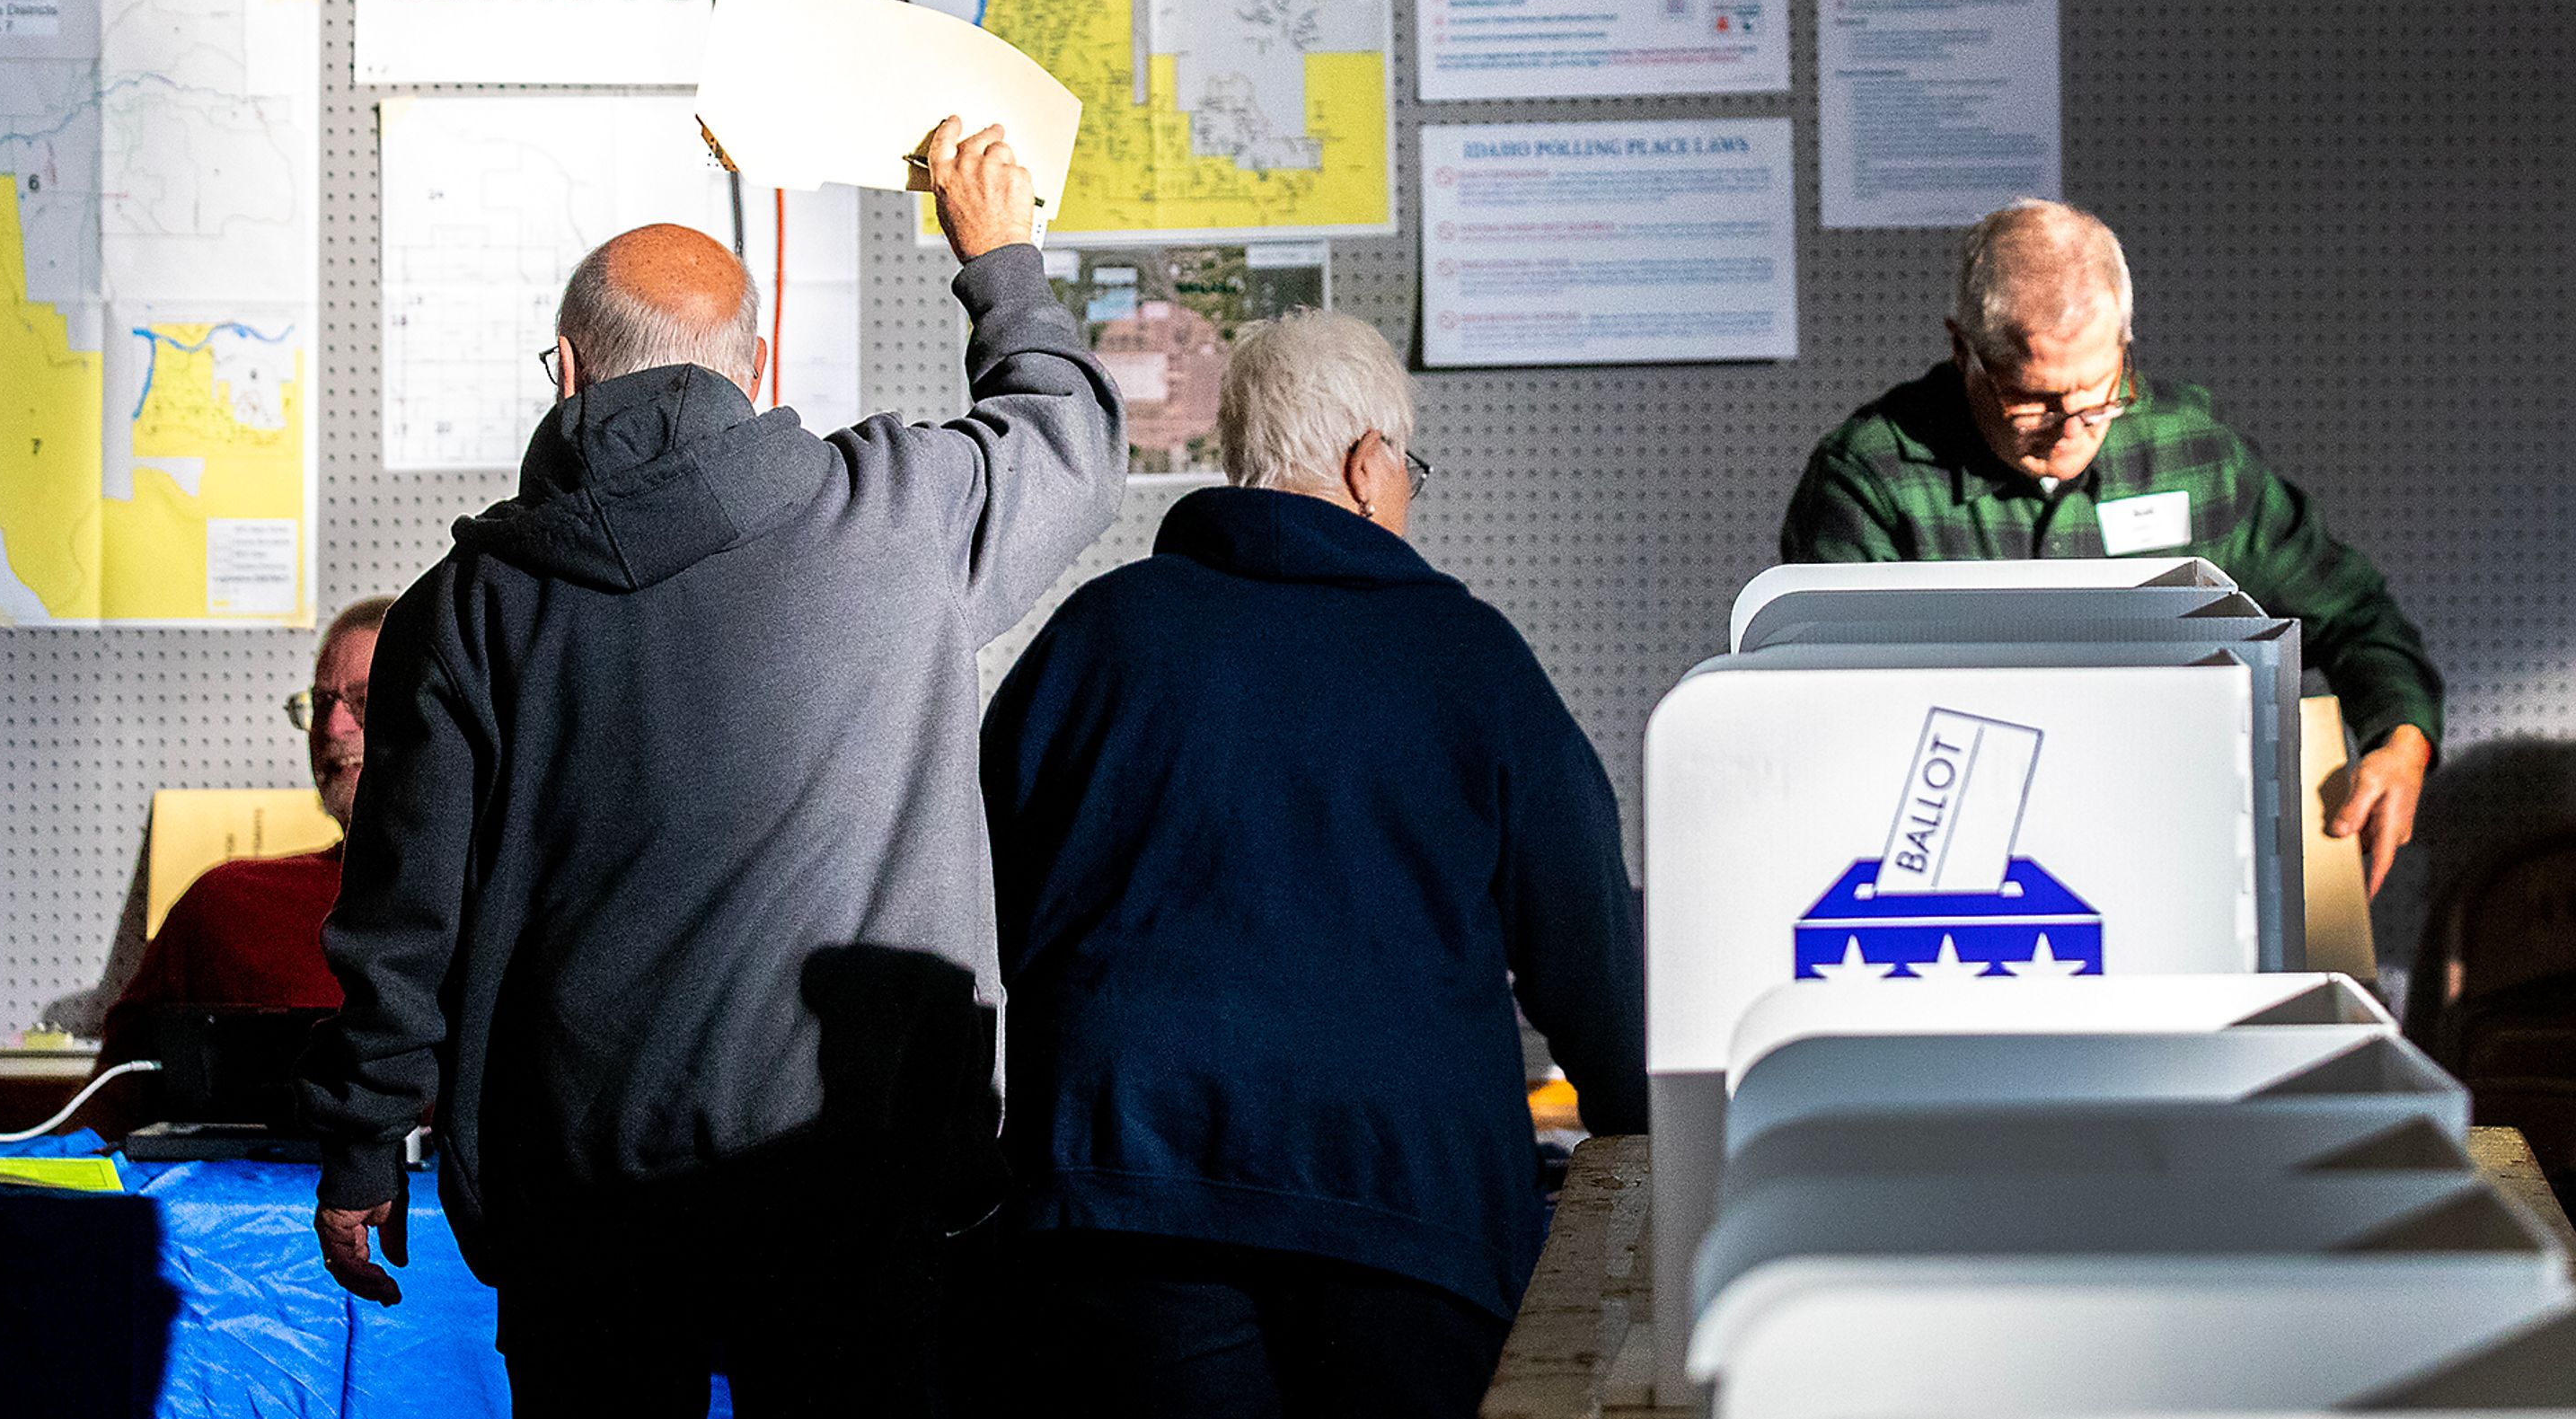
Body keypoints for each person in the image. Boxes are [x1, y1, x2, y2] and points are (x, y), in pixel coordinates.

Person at [303, 116, 1125, 1415]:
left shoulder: (464, 605)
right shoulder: (900, 516)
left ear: (566, 371)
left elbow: (405, 916)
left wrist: (362, 1142)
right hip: (862, 1190)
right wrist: (1000, 257)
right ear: (758, 368)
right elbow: (1067, 441)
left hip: (582, 1208)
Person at [979, 308, 1647, 1419]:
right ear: (1364, 462)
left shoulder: (1097, 636)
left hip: (1123, 1196)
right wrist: (1639, 1122)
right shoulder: (1467, 658)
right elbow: (1585, 943)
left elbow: (981, 900)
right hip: (1400, 1207)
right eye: (1408, 467)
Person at [1782, 198, 2443, 890]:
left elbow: (2354, 615)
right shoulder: (1869, 483)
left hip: (2170, 847)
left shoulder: (2193, 455)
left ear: (2124, 341)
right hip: (1958, 865)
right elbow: (1834, 721)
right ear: (1962, 351)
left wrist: (2401, 738)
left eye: (2099, 391)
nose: (2072, 428)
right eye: (2032, 399)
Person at [101, 594, 393, 1028]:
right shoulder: (228, 908)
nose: (332, 728)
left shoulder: (505, 908)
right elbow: (125, 1083)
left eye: (364, 702)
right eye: (322, 702)